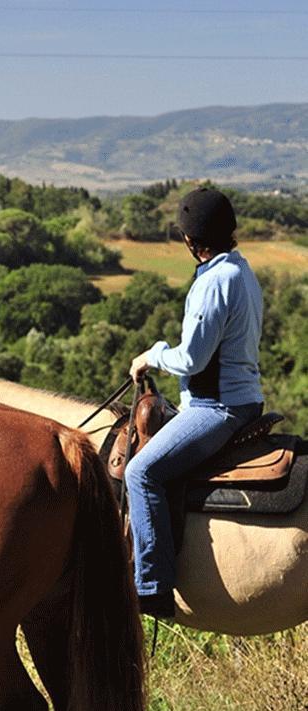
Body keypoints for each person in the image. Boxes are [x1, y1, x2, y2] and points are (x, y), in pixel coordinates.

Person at [126, 188, 263, 619]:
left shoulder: (214, 281)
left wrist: (152, 354)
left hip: (215, 407)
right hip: (240, 400)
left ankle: (150, 587)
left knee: (140, 472)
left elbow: (191, 358)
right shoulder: (241, 270)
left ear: (190, 240)